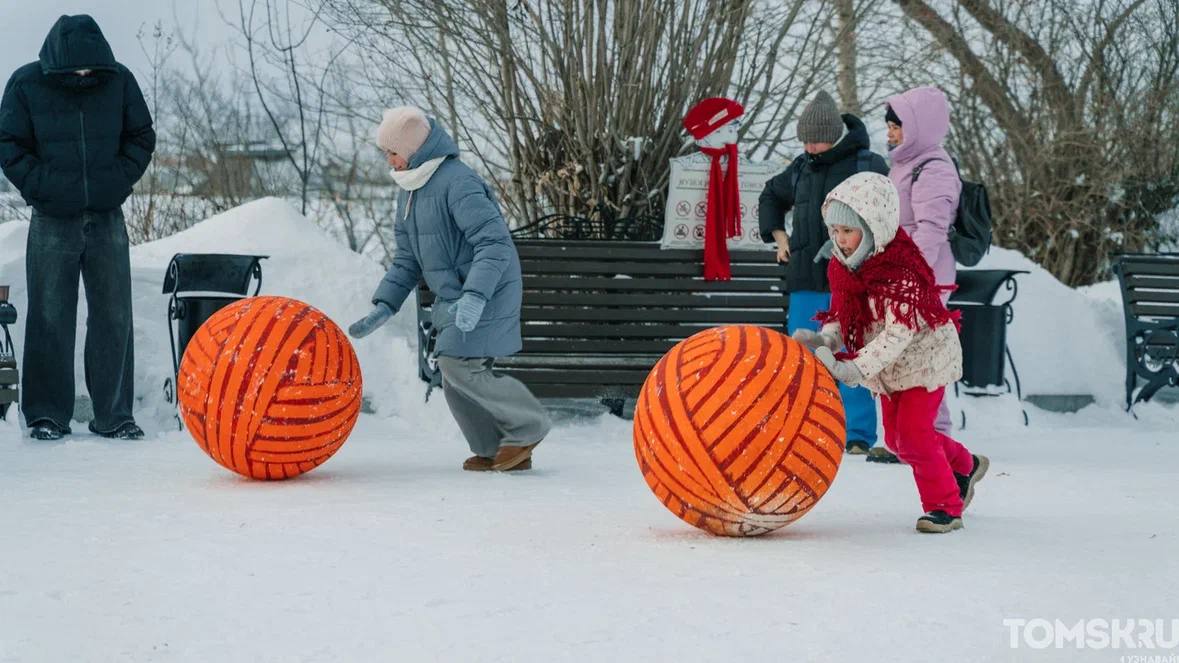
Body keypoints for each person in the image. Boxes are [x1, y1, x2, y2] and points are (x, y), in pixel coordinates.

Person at [348, 106, 551, 471]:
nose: (389, 159)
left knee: (457, 363)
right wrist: (384, 305)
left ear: (413, 149)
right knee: (452, 370)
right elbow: (407, 260)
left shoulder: (458, 182)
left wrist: (475, 295)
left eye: (392, 151)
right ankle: (495, 448)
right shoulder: (409, 191)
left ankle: (527, 424)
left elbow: (494, 244)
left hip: (488, 288)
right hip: (457, 297)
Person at [798, 172, 987, 532]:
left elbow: (897, 334)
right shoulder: (843, 266)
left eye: (848, 230)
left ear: (874, 227)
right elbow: (843, 314)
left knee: (914, 436)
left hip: (924, 360)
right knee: (898, 442)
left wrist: (854, 368)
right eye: (834, 230)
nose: (840, 239)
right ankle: (965, 464)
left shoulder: (900, 272)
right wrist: (827, 341)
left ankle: (945, 507)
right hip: (888, 367)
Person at [0, 15, 156, 440]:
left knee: (114, 316)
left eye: (90, 71)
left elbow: (141, 136)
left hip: (107, 216)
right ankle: (46, 415)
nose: (84, 77)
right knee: (50, 316)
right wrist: (44, 188)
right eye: (76, 72)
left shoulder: (118, 80)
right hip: (52, 218)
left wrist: (115, 182)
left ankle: (114, 416)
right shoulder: (26, 84)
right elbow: (9, 144)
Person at [758, 90, 888, 456]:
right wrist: (779, 237)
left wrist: (860, 250)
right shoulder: (801, 166)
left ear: (834, 136)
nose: (809, 148)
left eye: (815, 141)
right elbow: (770, 195)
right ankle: (801, 429)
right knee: (802, 356)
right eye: (805, 141)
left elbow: (887, 214)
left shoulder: (867, 164)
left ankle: (857, 433)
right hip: (805, 278)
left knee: (851, 353)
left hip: (852, 279)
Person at [870, 85, 962, 464]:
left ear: (919, 127)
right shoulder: (904, 164)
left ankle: (933, 437)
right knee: (903, 356)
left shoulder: (934, 167)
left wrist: (910, 277)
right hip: (900, 275)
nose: (890, 133)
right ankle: (915, 438)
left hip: (925, 278)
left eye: (897, 126)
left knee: (922, 357)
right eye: (890, 126)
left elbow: (931, 230)